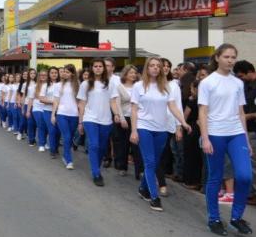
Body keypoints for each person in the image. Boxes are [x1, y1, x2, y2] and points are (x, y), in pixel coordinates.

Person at [198, 44, 253, 236]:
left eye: (233, 57)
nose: (230, 60)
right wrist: (205, 138)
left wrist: (245, 140)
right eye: (227, 57)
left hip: (236, 133)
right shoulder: (208, 82)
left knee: (245, 176)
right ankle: (214, 218)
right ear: (217, 58)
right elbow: (203, 111)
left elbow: (240, 112)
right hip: (215, 134)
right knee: (215, 177)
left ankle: (236, 217)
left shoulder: (237, 83)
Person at [131, 57, 191, 212]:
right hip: (144, 127)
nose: (155, 68)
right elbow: (134, 110)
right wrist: (134, 130)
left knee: (154, 163)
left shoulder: (166, 87)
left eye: (158, 66)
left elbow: (173, 106)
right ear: (147, 68)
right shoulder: (138, 86)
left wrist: (182, 123)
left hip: (161, 130)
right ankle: (154, 197)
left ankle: (143, 189)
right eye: (152, 65)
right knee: (150, 163)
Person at [77, 58, 121, 187]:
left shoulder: (110, 84)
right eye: (95, 66)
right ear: (92, 68)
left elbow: (113, 101)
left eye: (100, 66)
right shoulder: (85, 84)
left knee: (102, 147)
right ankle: (96, 173)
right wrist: (80, 122)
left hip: (106, 120)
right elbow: (82, 104)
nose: (97, 68)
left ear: (104, 68)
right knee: (94, 145)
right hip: (90, 118)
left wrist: (117, 114)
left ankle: (96, 165)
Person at [113, 65, 139, 178]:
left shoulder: (139, 86)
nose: (133, 75)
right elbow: (117, 104)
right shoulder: (119, 87)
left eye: (134, 73)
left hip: (138, 119)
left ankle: (139, 171)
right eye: (130, 73)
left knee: (137, 146)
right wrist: (121, 118)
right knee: (124, 144)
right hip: (125, 118)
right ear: (125, 74)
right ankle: (122, 167)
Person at [52, 64, 80, 170]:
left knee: (70, 137)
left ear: (72, 74)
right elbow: (56, 101)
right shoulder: (58, 85)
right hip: (61, 114)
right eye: (64, 71)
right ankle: (69, 160)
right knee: (67, 137)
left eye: (67, 72)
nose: (64, 73)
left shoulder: (77, 84)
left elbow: (80, 101)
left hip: (74, 115)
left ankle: (65, 154)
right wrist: (53, 114)